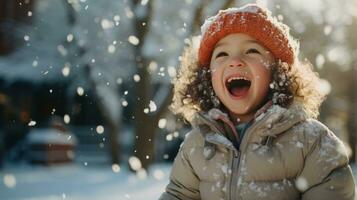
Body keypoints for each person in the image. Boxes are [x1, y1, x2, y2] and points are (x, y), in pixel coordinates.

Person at [159, 3, 356, 200]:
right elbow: (178, 195)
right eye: (222, 54)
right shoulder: (198, 143)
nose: (234, 60)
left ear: (278, 70)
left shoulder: (311, 141)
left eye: (252, 51)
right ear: (206, 76)